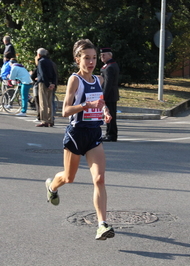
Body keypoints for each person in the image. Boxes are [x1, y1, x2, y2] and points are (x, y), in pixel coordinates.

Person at [45, 39, 114, 240]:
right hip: (76, 134)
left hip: (93, 133)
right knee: (69, 177)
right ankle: (51, 186)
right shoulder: (74, 80)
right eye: (86, 58)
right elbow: (65, 110)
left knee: (99, 179)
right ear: (78, 59)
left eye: (94, 58)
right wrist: (86, 105)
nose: (91, 62)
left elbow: (100, 103)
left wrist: (105, 110)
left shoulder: (99, 79)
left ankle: (102, 224)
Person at [100, 47, 120, 141]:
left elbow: (108, 83)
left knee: (110, 115)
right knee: (109, 114)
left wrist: (103, 96)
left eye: (104, 55)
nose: (102, 57)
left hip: (110, 95)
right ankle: (109, 133)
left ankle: (111, 135)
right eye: (101, 55)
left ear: (110, 55)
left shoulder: (110, 67)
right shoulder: (109, 65)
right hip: (111, 95)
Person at [35, 48, 56, 127]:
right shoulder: (50, 62)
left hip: (44, 83)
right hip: (51, 83)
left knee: (43, 102)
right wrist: (53, 83)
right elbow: (54, 73)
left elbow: (43, 74)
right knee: (50, 102)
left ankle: (44, 120)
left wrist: (47, 84)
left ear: (39, 54)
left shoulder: (41, 62)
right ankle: (51, 120)